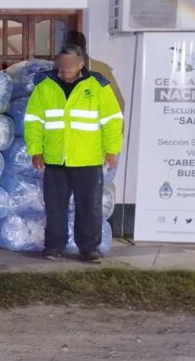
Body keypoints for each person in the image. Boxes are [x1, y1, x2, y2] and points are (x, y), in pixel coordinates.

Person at [24, 44, 123, 263]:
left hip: (87, 159)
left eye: (70, 63)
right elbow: (33, 121)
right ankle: (54, 246)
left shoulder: (97, 85)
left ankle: (89, 248)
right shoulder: (45, 86)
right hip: (55, 158)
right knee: (55, 207)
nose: (66, 67)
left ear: (80, 64)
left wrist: (112, 150)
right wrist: (36, 150)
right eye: (62, 63)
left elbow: (112, 120)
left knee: (89, 207)